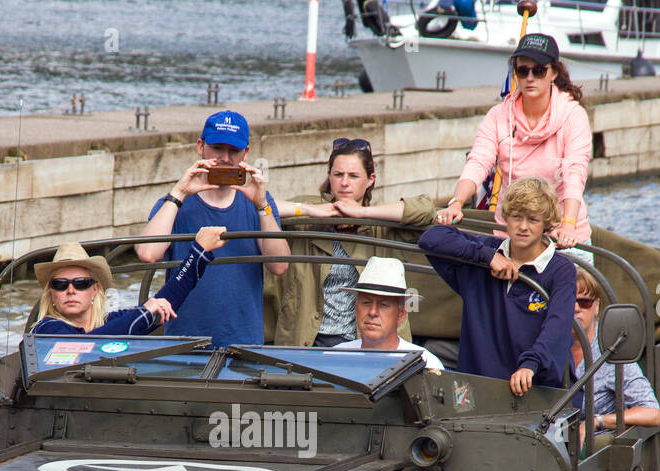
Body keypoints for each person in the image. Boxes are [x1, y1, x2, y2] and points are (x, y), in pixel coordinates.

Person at [435, 34, 593, 263]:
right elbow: (478, 162)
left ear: (554, 73)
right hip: (513, 236)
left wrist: (568, 224)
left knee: (575, 295)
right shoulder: (499, 116)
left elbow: (575, 172)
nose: (530, 78)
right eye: (522, 71)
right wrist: (456, 202)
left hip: (562, 233)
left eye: (538, 71)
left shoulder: (573, 115)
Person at [135, 110, 288, 347]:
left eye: (234, 151)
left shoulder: (259, 202)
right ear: (201, 147)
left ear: (246, 153)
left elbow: (279, 265)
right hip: (183, 342)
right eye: (217, 148)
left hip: (243, 343)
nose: (225, 158)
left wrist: (262, 205)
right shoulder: (176, 203)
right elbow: (147, 253)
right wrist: (178, 193)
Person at [418, 176, 575, 395]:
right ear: (506, 218)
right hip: (477, 391)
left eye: (533, 220)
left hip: (535, 391)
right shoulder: (485, 252)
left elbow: (557, 326)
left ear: (547, 224)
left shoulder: (561, 270)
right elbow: (432, 237)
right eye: (516, 217)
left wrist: (531, 365)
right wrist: (488, 257)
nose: (523, 227)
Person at [275, 137, 436, 347]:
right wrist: (306, 210)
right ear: (329, 176)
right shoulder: (307, 218)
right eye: (338, 175)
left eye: (353, 176)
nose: (344, 183)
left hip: (365, 343)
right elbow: (262, 207)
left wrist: (362, 213)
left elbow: (426, 210)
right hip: (307, 342)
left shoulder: (382, 226)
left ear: (370, 179)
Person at [31, 227, 227, 336]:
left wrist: (198, 252)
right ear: (51, 294)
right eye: (60, 284)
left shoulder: (111, 323)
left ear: (95, 289)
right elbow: (83, 346)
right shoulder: (47, 329)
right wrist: (145, 312)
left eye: (81, 283)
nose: (70, 290)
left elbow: (164, 302)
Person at [570, 267, 659, 449]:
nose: (576, 308)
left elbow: (651, 413)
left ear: (596, 306)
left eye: (584, 302)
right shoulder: (544, 347)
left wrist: (596, 421)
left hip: (593, 443)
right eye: (567, 301)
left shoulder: (610, 351)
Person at [331, 257, 444, 370]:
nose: (372, 312)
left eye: (383, 305)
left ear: (401, 315)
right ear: (355, 308)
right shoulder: (334, 358)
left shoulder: (425, 363)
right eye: (366, 303)